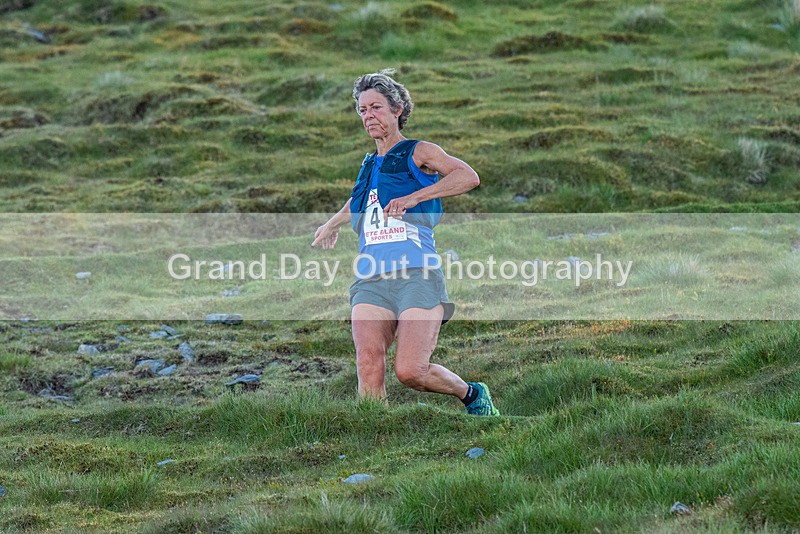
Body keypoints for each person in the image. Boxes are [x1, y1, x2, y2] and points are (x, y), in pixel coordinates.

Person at [312, 68, 499, 416]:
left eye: (376, 107)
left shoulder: (419, 152)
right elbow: (363, 200)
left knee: (411, 372)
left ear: (397, 109)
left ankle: (472, 394)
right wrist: (333, 223)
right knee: (368, 365)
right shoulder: (369, 164)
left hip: (417, 274)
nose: (368, 115)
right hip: (371, 277)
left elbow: (467, 176)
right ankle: (375, 441)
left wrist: (415, 197)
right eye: (362, 109)